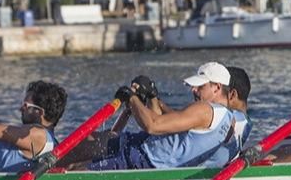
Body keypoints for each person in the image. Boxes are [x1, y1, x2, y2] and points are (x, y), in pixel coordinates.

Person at [66, 62, 236, 171]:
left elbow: (152, 125)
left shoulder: (205, 109)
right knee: (92, 140)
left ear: (217, 88)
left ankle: (45, 178)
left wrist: (131, 97)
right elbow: (168, 121)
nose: (193, 90)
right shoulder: (229, 119)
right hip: (142, 146)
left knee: (75, 169)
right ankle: (46, 163)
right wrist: (152, 96)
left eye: (200, 87)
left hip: (142, 160)